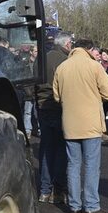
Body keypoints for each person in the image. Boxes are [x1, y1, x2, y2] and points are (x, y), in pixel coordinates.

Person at [53, 38, 108, 213]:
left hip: (70, 123)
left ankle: (74, 206)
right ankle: (91, 206)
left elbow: (56, 96)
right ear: (89, 49)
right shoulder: (94, 66)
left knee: (73, 165)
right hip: (90, 123)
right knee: (91, 165)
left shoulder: (62, 67)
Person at [35, 32, 72, 204]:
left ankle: (44, 190)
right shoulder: (66, 61)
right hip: (59, 106)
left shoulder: (41, 59)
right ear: (66, 44)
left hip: (42, 106)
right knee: (61, 150)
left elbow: (32, 85)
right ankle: (58, 190)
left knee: (46, 149)